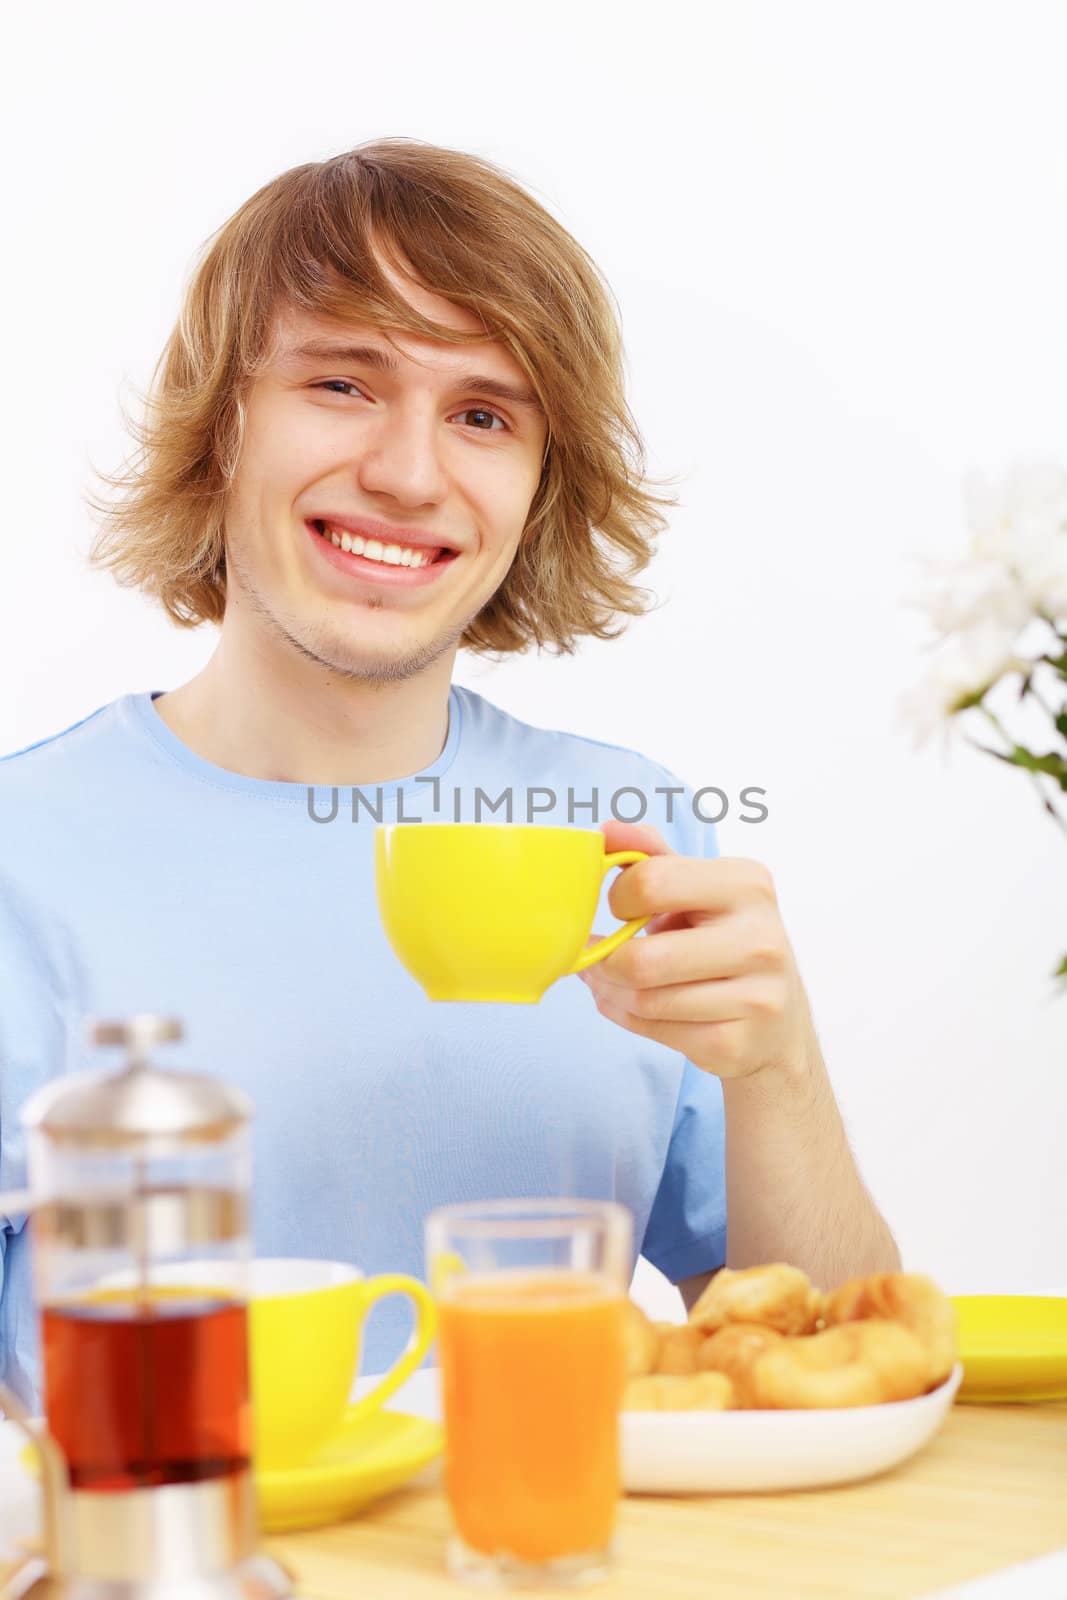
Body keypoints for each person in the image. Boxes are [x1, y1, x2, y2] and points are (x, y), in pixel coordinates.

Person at [0, 139, 898, 1407]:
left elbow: (826, 1375)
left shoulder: (622, 838)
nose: (409, 474)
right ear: (221, 427)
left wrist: (778, 1070)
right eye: (342, 383)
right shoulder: (22, 854)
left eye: (482, 414)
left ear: (538, 487)